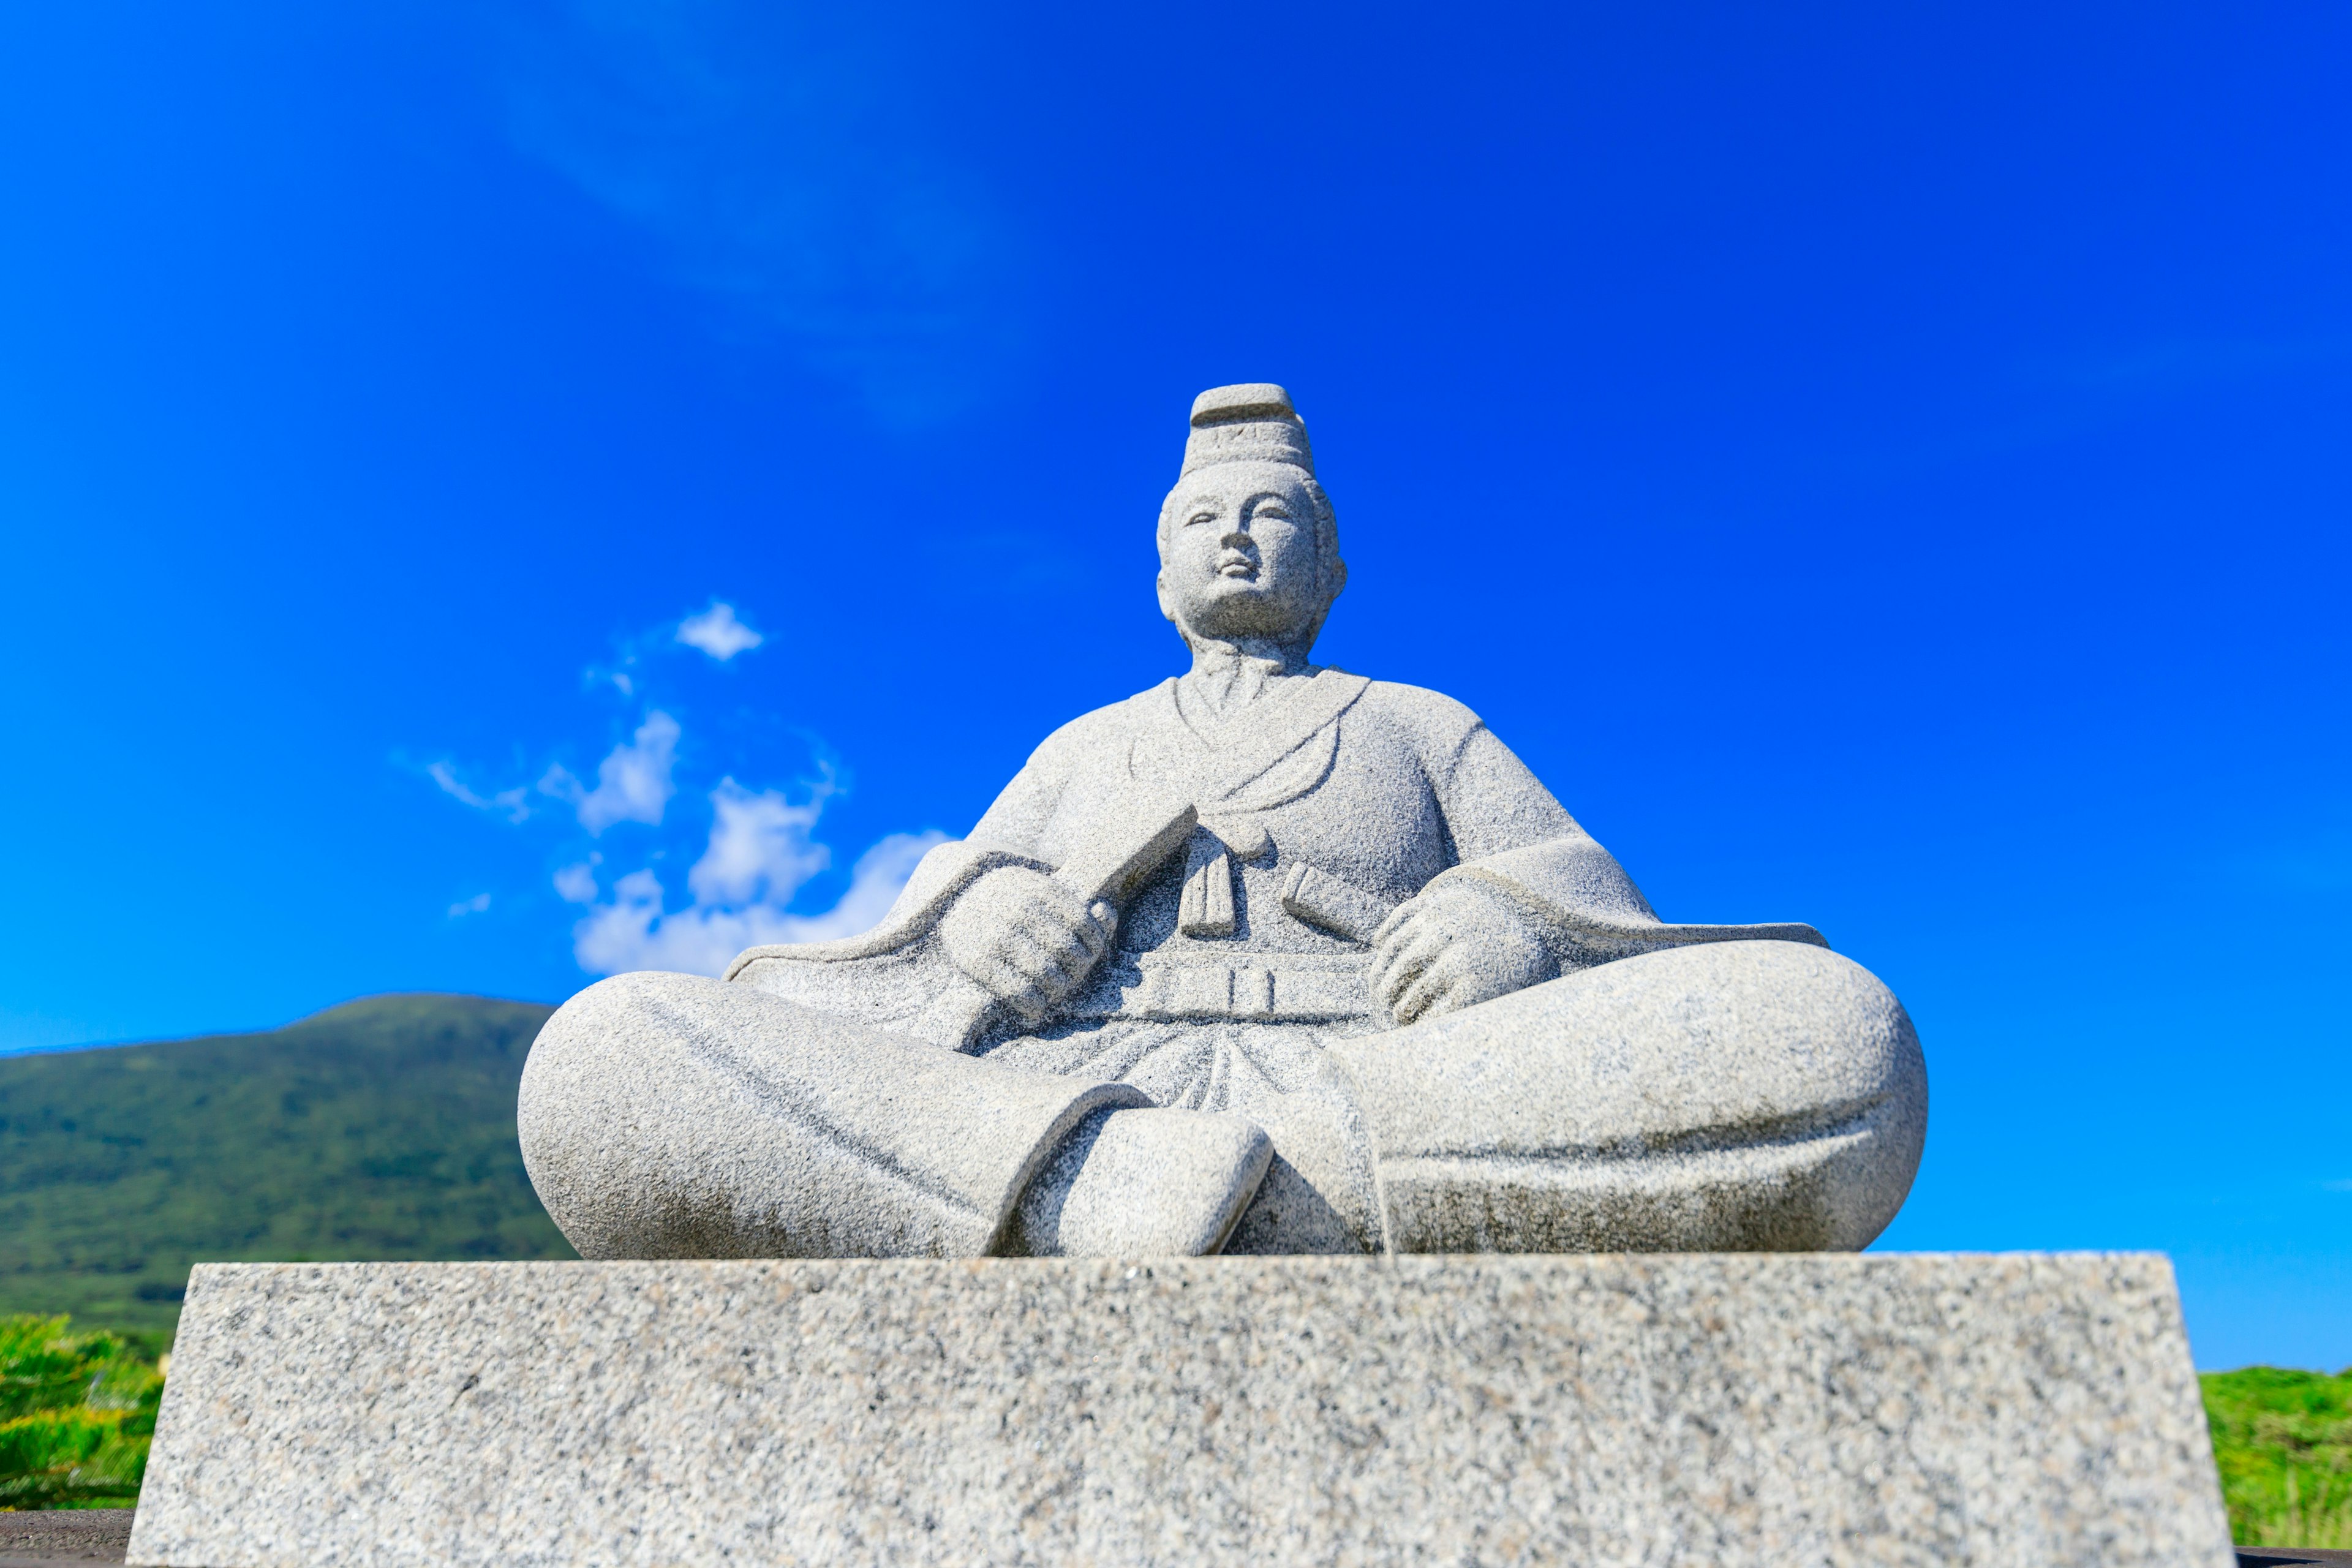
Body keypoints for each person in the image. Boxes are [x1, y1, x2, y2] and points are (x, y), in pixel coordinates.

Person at [519, 385, 1925, 1261]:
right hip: (1066, 1097)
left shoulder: (1418, 722)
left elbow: (1587, 888)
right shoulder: (1089, 743)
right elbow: (922, 932)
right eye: (1206, 519)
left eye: (1273, 515)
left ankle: (1217, 1196)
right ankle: (1095, 1184)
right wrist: (972, 912)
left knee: (1841, 1037)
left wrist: (1512, 925)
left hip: (1373, 1093)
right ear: (1159, 573)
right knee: (610, 1056)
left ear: (1333, 565)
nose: (1239, 536)